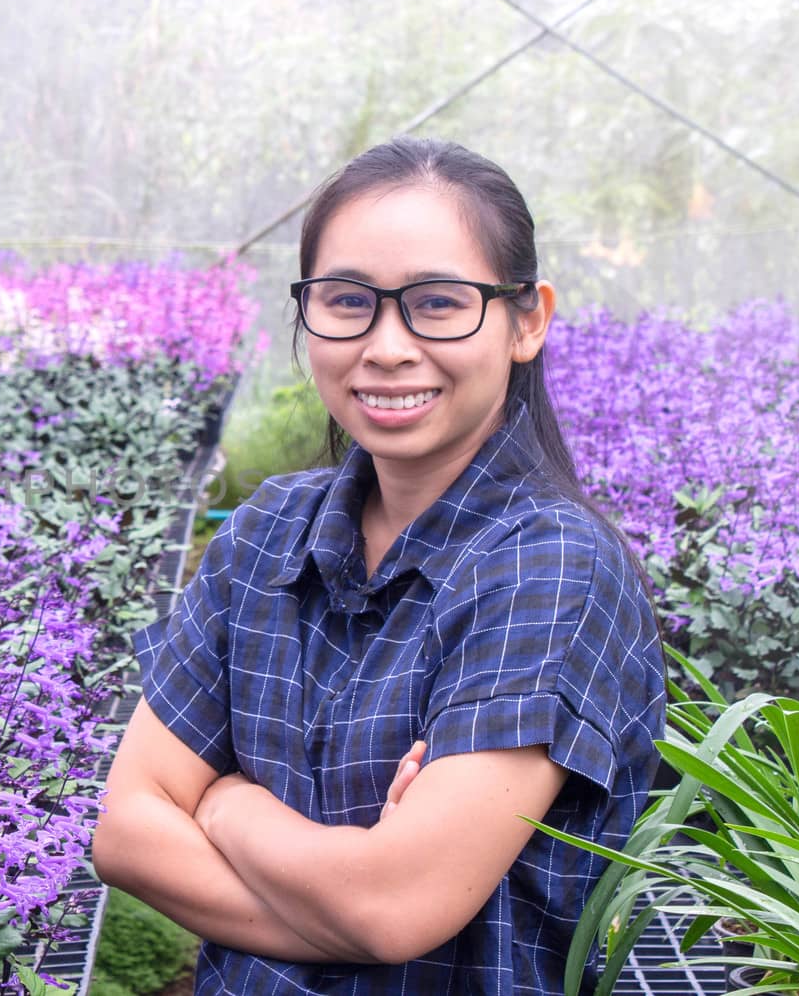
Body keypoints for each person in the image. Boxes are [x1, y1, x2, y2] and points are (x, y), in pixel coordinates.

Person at [90, 136, 666, 994]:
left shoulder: (551, 572)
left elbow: (397, 907)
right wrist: (353, 890)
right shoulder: (264, 537)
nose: (387, 345)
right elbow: (126, 835)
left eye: (437, 303)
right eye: (348, 300)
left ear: (527, 320)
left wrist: (225, 805)